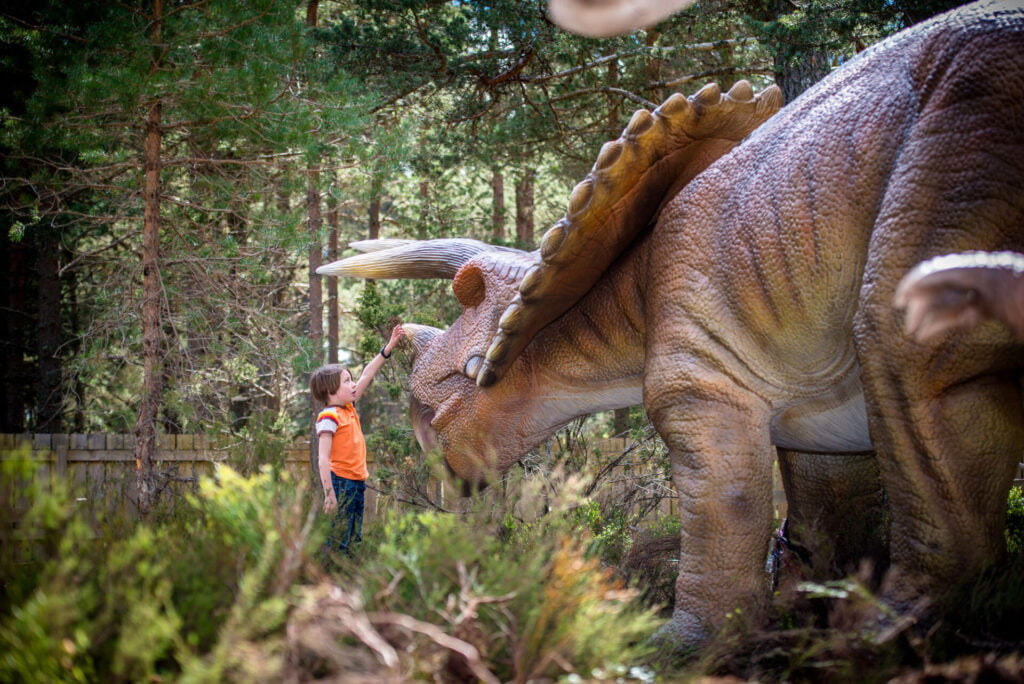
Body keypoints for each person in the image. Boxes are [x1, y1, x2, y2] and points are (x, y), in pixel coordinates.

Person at [309, 324, 405, 555]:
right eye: (347, 381)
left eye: (352, 380)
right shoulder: (329, 417)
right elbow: (323, 459)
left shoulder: (348, 408)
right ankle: (331, 579)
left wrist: (389, 347)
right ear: (330, 390)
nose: (353, 385)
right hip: (340, 483)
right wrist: (330, 495)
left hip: (357, 483)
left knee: (354, 539)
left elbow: (368, 374)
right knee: (339, 539)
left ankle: (348, 579)